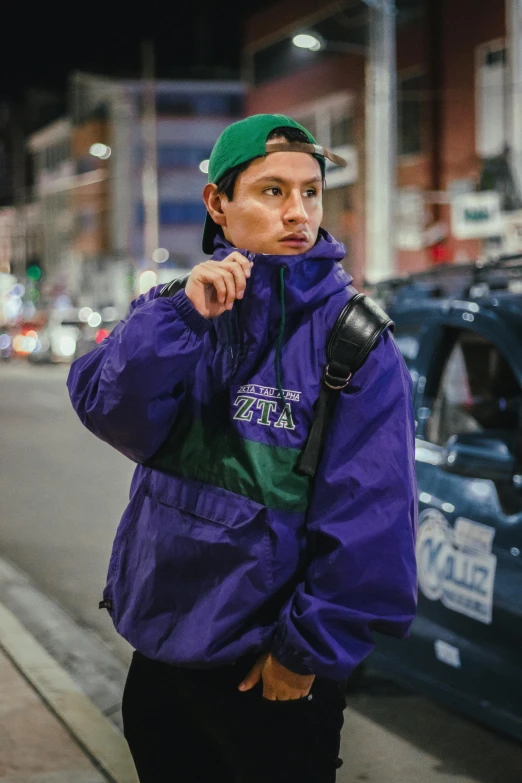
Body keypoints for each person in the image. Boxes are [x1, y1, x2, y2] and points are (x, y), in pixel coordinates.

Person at [67, 114, 418, 783]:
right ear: (217, 204)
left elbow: (372, 520)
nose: (299, 212)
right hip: (161, 655)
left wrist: (304, 654)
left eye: (310, 192)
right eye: (273, 191)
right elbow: (106, 408)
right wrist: (183, 320)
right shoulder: (174, 308)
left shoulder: (355, 342)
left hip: (267, 669)